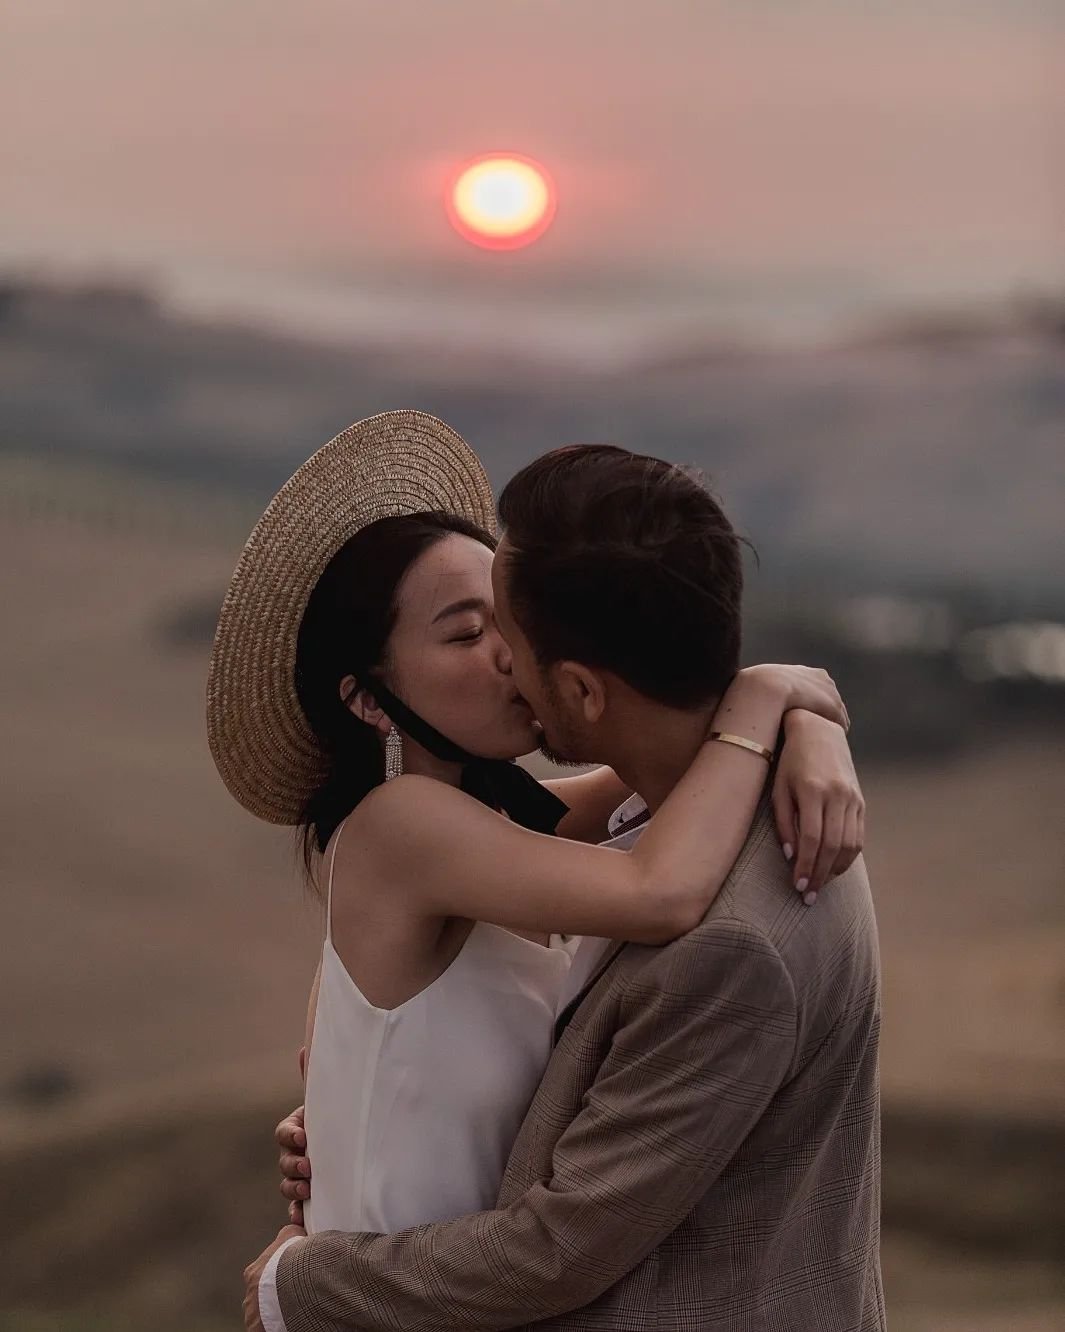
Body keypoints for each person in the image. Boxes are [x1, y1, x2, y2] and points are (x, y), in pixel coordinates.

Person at [220, 415, 876, 1331]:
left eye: (504, 624)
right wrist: (775, 697)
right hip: (394, 1294)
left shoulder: (499, 821)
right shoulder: (407, 829)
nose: (501, 656)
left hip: (437, 1287)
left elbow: (671, 785)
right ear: (369, 698)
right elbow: (661, 867)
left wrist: (799, 712)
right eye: (462, 635)